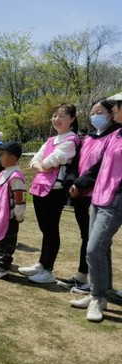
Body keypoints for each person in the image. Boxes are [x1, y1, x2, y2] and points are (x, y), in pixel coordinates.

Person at [69, 93, 122, 322]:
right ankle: (100, 291)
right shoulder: (116, 134)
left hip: (116, 198)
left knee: (93, 248)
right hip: (99, 196)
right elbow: (99, 165)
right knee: (102, 247)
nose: (114, 109)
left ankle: (98, 298)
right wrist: (80, 183)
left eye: (117, 106)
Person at [18, 104, 79, 284]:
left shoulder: (71, 140)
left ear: (72, 119)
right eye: (54, 115)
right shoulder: (51, 139)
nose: (56, 119)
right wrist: (42, 166)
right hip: (40, 186)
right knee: (45, 228)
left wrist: (42, 165)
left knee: (51, 229)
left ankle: (48, 270)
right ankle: (42, 263)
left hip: (56, 190)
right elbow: (36, 161)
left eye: (62, 116)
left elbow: (49, 161)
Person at [0, 142, 27, 279]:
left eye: (2, 155)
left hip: (10, 218)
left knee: (6, 244)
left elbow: (20, 199)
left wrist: (18, 215)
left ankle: (2, 268)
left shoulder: (15, 177)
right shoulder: (3, 173)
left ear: (12, 157)